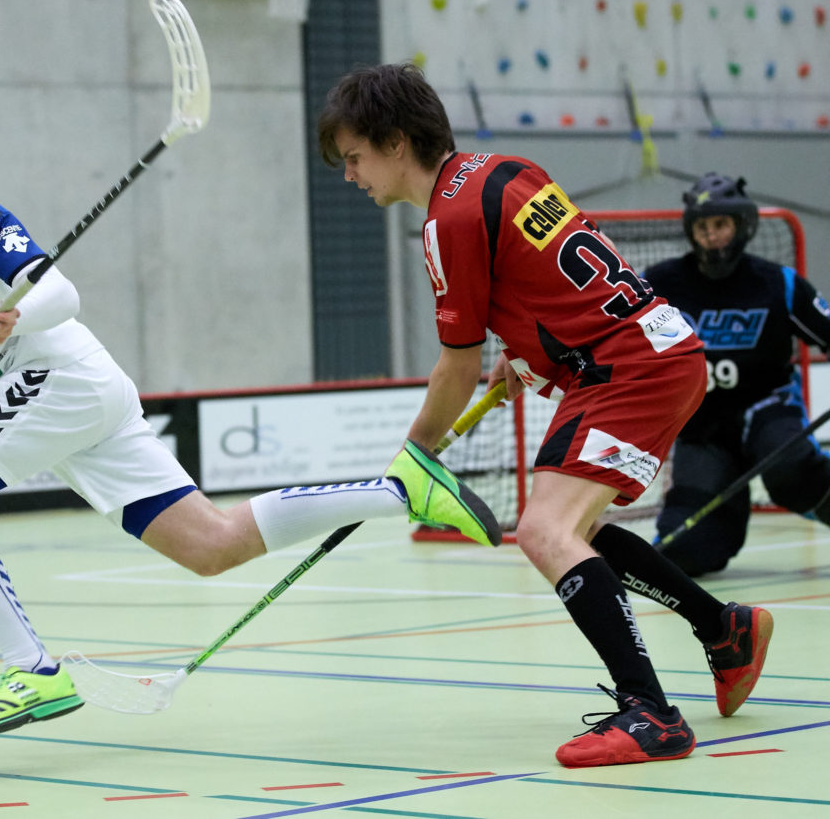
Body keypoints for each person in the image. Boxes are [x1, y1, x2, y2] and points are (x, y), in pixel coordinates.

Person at [0, 124, 498, 741]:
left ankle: (31, 668)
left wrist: (14, 316)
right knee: (212, 547)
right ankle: (399, 490)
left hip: (55, 374)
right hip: (56, 400)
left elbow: (61, 296)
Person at [316, 64, 774, 768]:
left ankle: (651, 712)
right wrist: (527, 351)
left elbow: (454, 367)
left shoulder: (448, 220)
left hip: (630, 369)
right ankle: (724, 629)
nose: (350, 175)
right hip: (654, 348)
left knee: (544, 529)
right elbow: (555, 280)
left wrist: (416, 452)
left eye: (353, 157)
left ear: (396, 142)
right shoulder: (502, 169)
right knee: (576, 527)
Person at [643, 172, 830, 575]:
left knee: (791, 472)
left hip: (768, 409)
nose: (711, 236)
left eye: (721, 225)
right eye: (702, 227)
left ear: (742, 226)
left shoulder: (778, 284)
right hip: (702, 427)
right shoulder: (660, 284)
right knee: (685, 551)